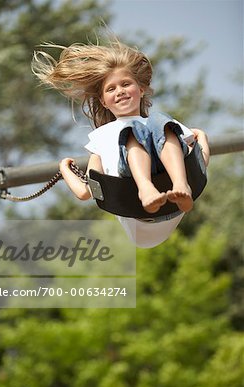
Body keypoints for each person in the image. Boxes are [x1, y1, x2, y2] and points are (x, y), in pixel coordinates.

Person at [32, 39, 210, 248]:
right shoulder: (102, 137)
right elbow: (85, 191)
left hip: (173, 205)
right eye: (111, 89)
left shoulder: (162, 125)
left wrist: (203, 140)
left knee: (158, 121)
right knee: (132, 131)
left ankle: (181, 185)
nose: (120, 91)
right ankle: (145, 188)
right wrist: (65, 168)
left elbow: (199, 165)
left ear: (141, 89)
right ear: (103, 101)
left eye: (126, 84)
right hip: (137, 212)